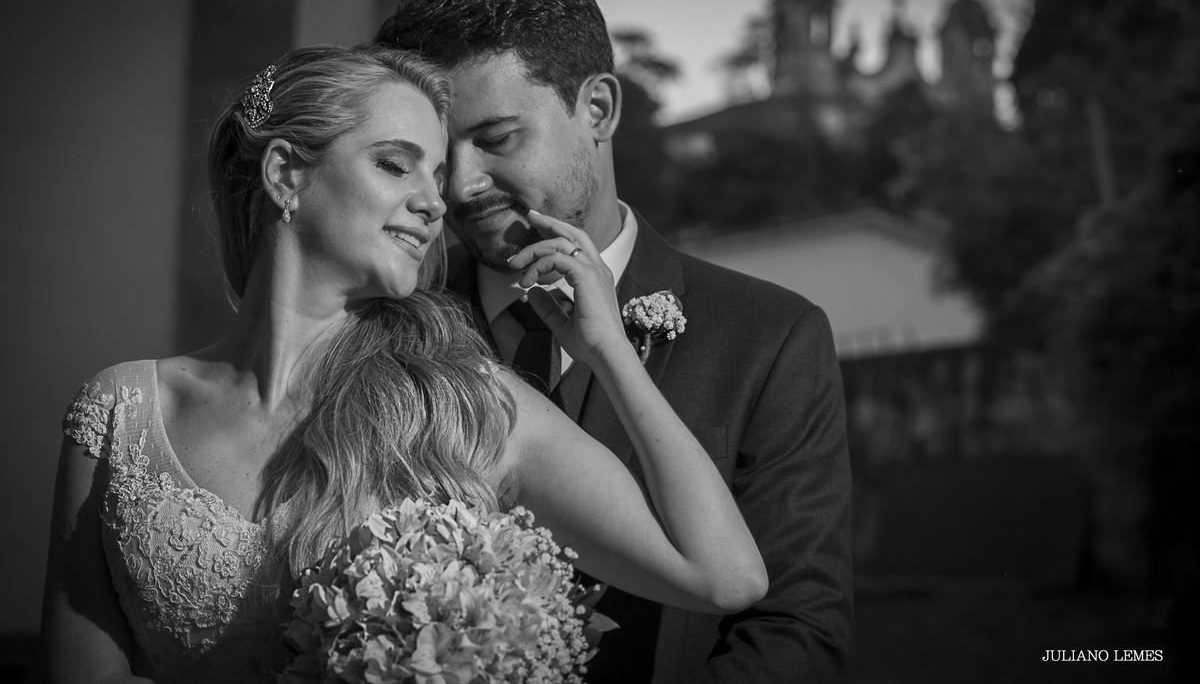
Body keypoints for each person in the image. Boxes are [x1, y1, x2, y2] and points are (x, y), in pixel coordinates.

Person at [40, 45, 767, 684]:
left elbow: (723, 576)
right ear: (286, 173)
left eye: (437, 174)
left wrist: (609, 348)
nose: (435, 202)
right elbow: (80, 669)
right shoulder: (120, 410)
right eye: (395, 164)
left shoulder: (463, 402)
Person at [375, 0, 854, 683]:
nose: (462, 186)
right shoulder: (390, 335)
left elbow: (798, 631)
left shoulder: (770, 337)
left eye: (498, 139)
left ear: (597, 108)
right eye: (442, 153)